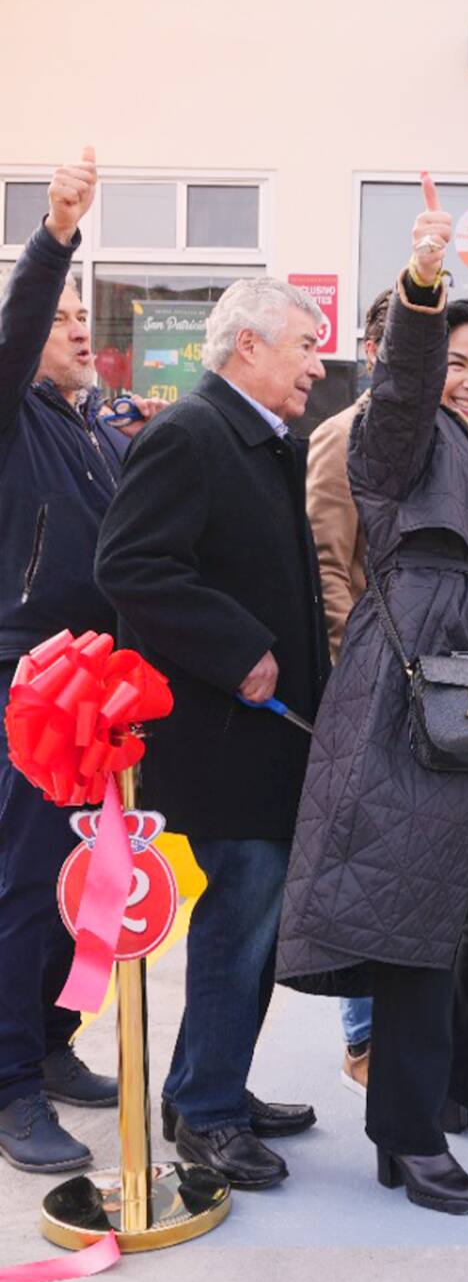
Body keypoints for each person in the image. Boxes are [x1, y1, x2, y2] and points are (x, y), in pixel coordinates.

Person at [275, 175, 468, 1217]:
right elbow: (399, 393)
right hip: (412, 701)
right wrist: (426, 286)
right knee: (412, 923)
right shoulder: (398, 430)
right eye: (457, 362)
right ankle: (408, 1133)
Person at [95, 276, 330, 1190]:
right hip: (225, 734)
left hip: (265, 735)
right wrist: (240, 649)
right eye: (305, 344)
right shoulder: (191, 435)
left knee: (252, 924)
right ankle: (205, 1115)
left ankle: (210, 1081)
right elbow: (130, 565)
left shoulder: (256, 442)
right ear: (248, 348)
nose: (317, 363)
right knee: (238, 922)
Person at [0, 150, 163, 1175]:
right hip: (31, 681)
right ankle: (10, 1083)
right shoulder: (12, 406)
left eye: (78, 319)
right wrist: (56, 235)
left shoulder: (92, 428)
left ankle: (54, 1043)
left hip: (101, 689)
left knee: (87, 880)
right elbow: (17, 330)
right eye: (61, 318)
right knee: (21, 883)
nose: (73, 330)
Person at [304, 286, 391, 1097]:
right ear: (371, 347)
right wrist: (351, 677)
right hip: (369, 686)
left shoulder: (453, 437)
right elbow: (331, 566)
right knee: (363, 866)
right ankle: (363, 1037)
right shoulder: (343, 436)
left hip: (434, 691)